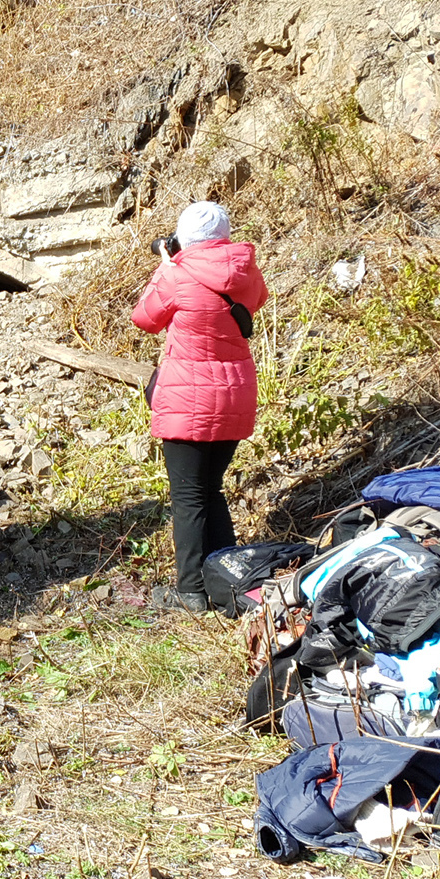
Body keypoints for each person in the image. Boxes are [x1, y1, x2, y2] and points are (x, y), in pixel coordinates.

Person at [131, 201, 268, 612]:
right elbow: (255, 300)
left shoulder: (176, 274)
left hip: (187, 398)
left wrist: (166, 267)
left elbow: (144, 318)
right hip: (234, 395)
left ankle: (190, 591)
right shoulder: (245, 271)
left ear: (182, 237)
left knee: (188, 497)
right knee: (211, 489)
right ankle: (229, 583)